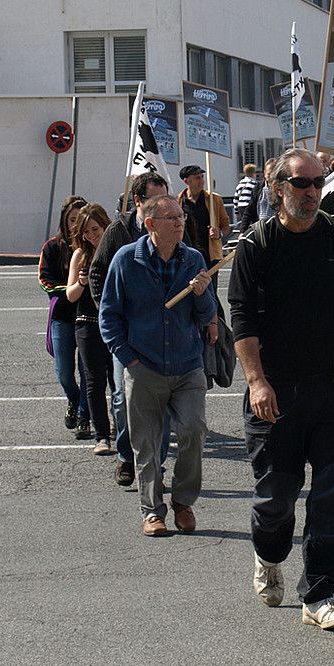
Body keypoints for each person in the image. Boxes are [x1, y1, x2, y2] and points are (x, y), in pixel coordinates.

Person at [229, 148, 334, 631]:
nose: (312, 192)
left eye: (317, 183)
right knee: (277, 496)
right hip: (276, 394)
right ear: (279, 189)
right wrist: (256, 381)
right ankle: (268, 553)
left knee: (333, 498)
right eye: (301, 184)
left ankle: (320, 593)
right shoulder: (256, 245)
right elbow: (242, 320)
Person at [100, 195, 217, 537]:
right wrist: (129, 359)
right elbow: (109, 316)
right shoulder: (126, 260)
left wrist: (201, 294)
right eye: (171, 218)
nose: (180, 223)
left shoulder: (192, 258)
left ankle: (183, 501)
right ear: (150, 224)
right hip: (144, 365)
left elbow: (208, 316)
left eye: (181, 217)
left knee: (194, 430)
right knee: (147, 443)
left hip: (186, 364)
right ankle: (152, 511)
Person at [89, 172, 173, 487]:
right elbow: (97, 273)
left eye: (166, 199)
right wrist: (107, 312)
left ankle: (156, 464)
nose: (163, 207)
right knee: (124, 398)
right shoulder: (118, 231)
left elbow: (193, 267)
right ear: (137, 201)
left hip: (164, 333)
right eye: (155, 200)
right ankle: (127, 456)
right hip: (127, 333)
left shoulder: (174, 225)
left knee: (162, 402)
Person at [65, 203, 116, 455]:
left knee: (118, 381)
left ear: (105, 224)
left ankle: (122, 426)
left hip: (115, 323)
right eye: (86, 232)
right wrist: (82, 282)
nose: (92, 236)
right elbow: (70, 295)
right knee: (94, 382)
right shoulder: (80, 255)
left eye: (95, 229)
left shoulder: (117, 250)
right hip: (87, 323)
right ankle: (102, 436)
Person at [39, 195, 90, 436]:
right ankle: (74, 398)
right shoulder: (52, 247)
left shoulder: (94, 245)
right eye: (71, 219)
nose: (74, 225)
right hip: (62, 316)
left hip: (88, 315)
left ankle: (84, 415)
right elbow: (45, 280)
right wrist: (70, 288)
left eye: (79, 219)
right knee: (64, 372)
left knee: (88, 370)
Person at [178, 163, 231, 268]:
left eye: (202, 177)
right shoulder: (178, 201)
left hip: (210, 254)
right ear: (187, 181)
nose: (201, 180)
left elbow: (226, 225)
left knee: (210, 283)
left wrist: (219, 233)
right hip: (187, 254)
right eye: (197, 178)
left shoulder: (214, 200)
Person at [234, 163, 259, 232]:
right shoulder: (254, 183)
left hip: (241, 207)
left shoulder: (240, 183)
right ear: (253, 173)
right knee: (253, 225)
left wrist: (236, 211)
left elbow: (236, 199)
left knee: (244, 223)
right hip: (250, 206)